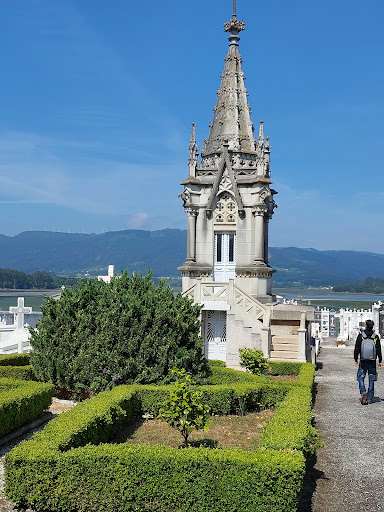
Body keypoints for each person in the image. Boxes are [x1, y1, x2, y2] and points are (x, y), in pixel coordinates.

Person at [354, 320, 382, 404]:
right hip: (372, 360)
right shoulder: (375, 337)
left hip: (363, 359)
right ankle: (370, 396)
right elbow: (378, 349)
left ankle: (363, 392)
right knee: (371, 378)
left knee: (360, 376)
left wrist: (356, 359)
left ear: (366, 325)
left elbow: (357, 348)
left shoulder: (361, 336)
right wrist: (380, 360)